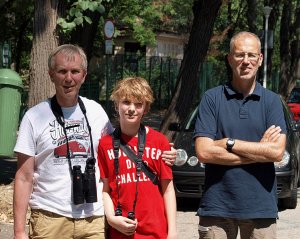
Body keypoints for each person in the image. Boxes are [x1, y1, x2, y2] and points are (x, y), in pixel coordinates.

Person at [13, 44, 176, 239]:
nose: (68, 78)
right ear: (51, 74)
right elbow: (23, 177)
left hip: (93, 219)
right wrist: (19, 231)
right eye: (62, 71)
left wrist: (165, 152)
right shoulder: (34, 116)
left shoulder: (96, 111)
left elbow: (120, 147)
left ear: (84, 75)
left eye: (75, 71)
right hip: (50, 217)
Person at [194, 31, 287, 239]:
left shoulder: (272, 101)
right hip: (217, 206)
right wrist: (258, 152)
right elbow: (204, 152)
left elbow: (277, 152)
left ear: (260, 59)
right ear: (229, 59)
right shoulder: (211, 98)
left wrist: (228, 142)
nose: (246, 61)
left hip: (260, 208)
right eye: (239, 55)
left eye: (252, 55)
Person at [98, 77, 178, 239]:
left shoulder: (159, 141)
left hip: (156, 232)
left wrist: (173, 231)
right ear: (116, 105)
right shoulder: (105, 144)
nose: (131, 109)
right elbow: (105, 189)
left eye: (138, 104)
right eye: (126, 102)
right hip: (121, 231)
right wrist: (112, 219)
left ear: (146, 108)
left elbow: (168, 190)